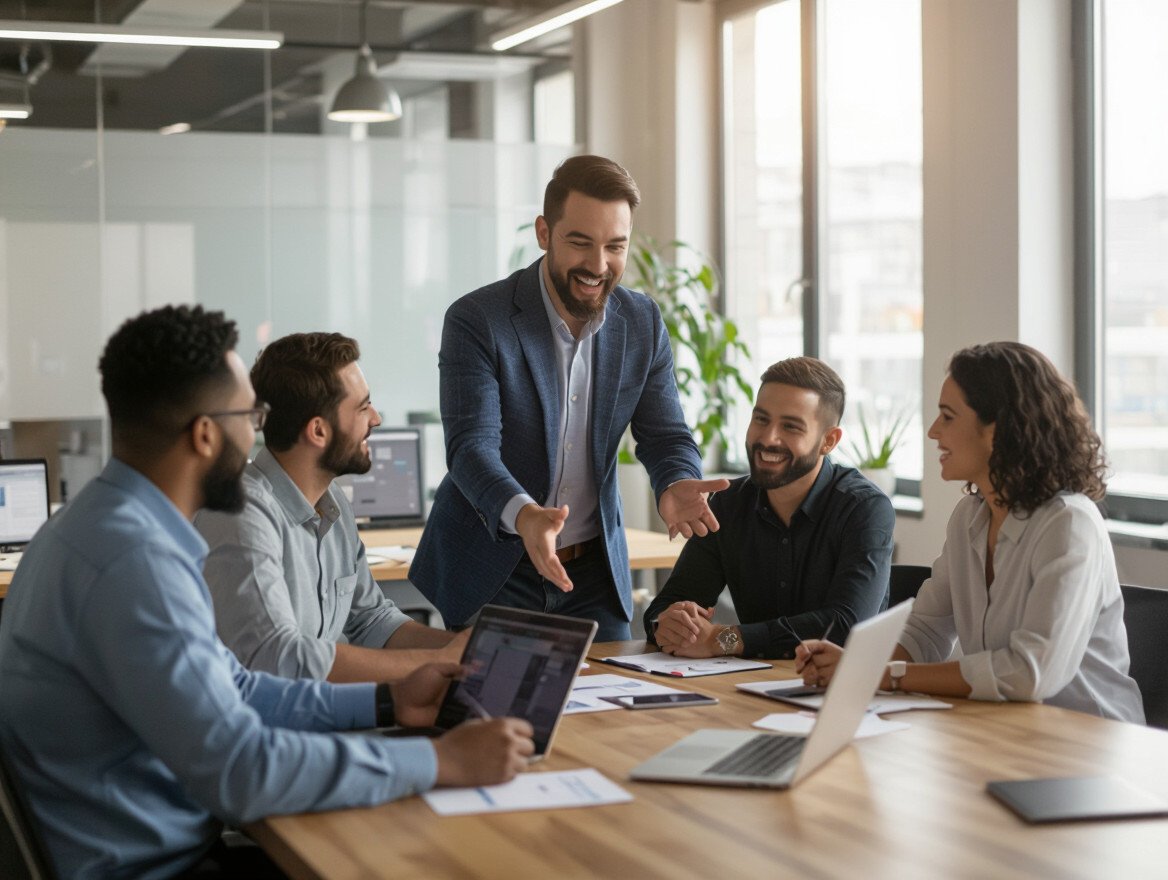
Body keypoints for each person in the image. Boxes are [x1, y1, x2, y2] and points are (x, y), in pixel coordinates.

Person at [0, 306, 533, 880]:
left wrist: (388, 701)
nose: (259, 431)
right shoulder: (134, 561)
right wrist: (435, 760)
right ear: (205, 435)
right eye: (249, 415)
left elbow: (234, 686)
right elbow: (241, 769)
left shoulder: (106, 526)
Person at [411, 155, 728, 640]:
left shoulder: (641, 321)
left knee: (618, 691)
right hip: (498, 568)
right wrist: (525, 515)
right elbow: (471, 449)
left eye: (615, 246)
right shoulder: (479, 320)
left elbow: (665, 435)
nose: (598, 266)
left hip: (593, 575)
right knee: (497, 691)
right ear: (544, 233)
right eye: (580, 243)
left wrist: (675, 482)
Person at [797, 341, 1144, 723]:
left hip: (1091, 736)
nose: (933, 431)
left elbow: (1029, 673)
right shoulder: (969, 518)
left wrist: (886, 676)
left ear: (998, 430)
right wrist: (856, 666)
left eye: (948, 416)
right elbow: (926, 632)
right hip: (1007, 726)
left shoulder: (1069, 524)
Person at [197, 332, 465, 682]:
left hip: (317, 706)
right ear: (318, 431)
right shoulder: (241, 512)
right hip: (264, 714)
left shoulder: (333, 503)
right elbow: (278, 658)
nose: (376, 419)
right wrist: (440, 663)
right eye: (363, 407)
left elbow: (371, 620)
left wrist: (467, 651)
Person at [644, 357, 895, 659]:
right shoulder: (727, 503)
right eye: (761, 419)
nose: (768, 438)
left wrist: (723, 639)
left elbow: (845, 625)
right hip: (748, 682)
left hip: (838, 684)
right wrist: (668, 624)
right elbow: (667, 605)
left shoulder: (864, 509)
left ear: (828, 441)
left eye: (790, 426)